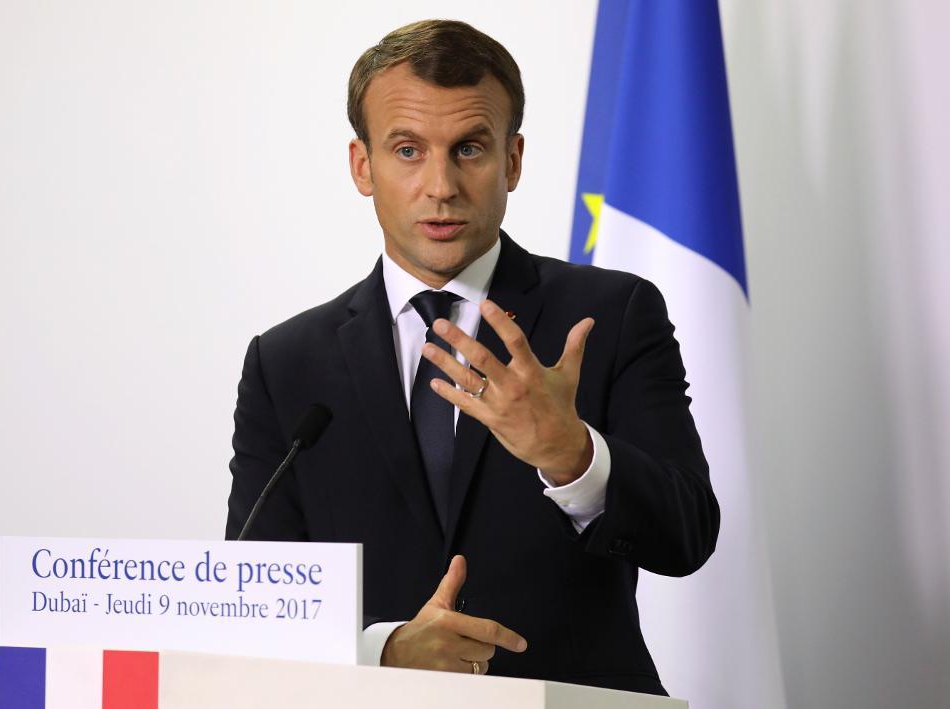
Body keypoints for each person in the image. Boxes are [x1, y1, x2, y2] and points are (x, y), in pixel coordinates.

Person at [225, 19, 718, 696]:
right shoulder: (285, 365)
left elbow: (688, 534)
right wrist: (385, 648)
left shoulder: (611, 315)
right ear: (361, 165)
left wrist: (573, 454)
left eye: (469, 149)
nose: (441, 185)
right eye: (406, 150)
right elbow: (255, 600)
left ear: (512, 160)